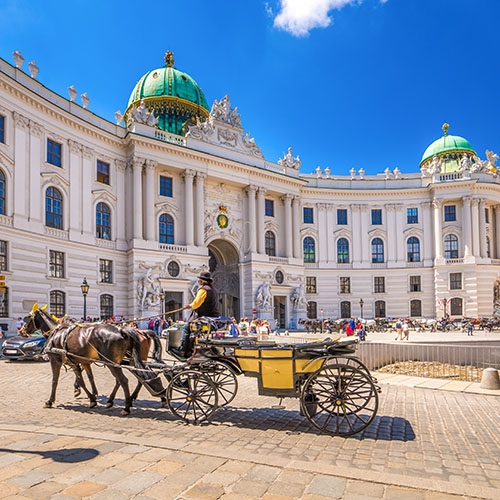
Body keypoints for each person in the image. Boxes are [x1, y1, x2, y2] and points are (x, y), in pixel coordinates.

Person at [173, 271, 220, 357]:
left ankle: (182, 350)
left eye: (200, 280)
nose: (198, 281)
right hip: (213, 317)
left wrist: (190, 305)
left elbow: (196, 304)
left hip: (204, 317)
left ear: (203, 281)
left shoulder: (203, 290)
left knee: (186, 328)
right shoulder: (214, 290)